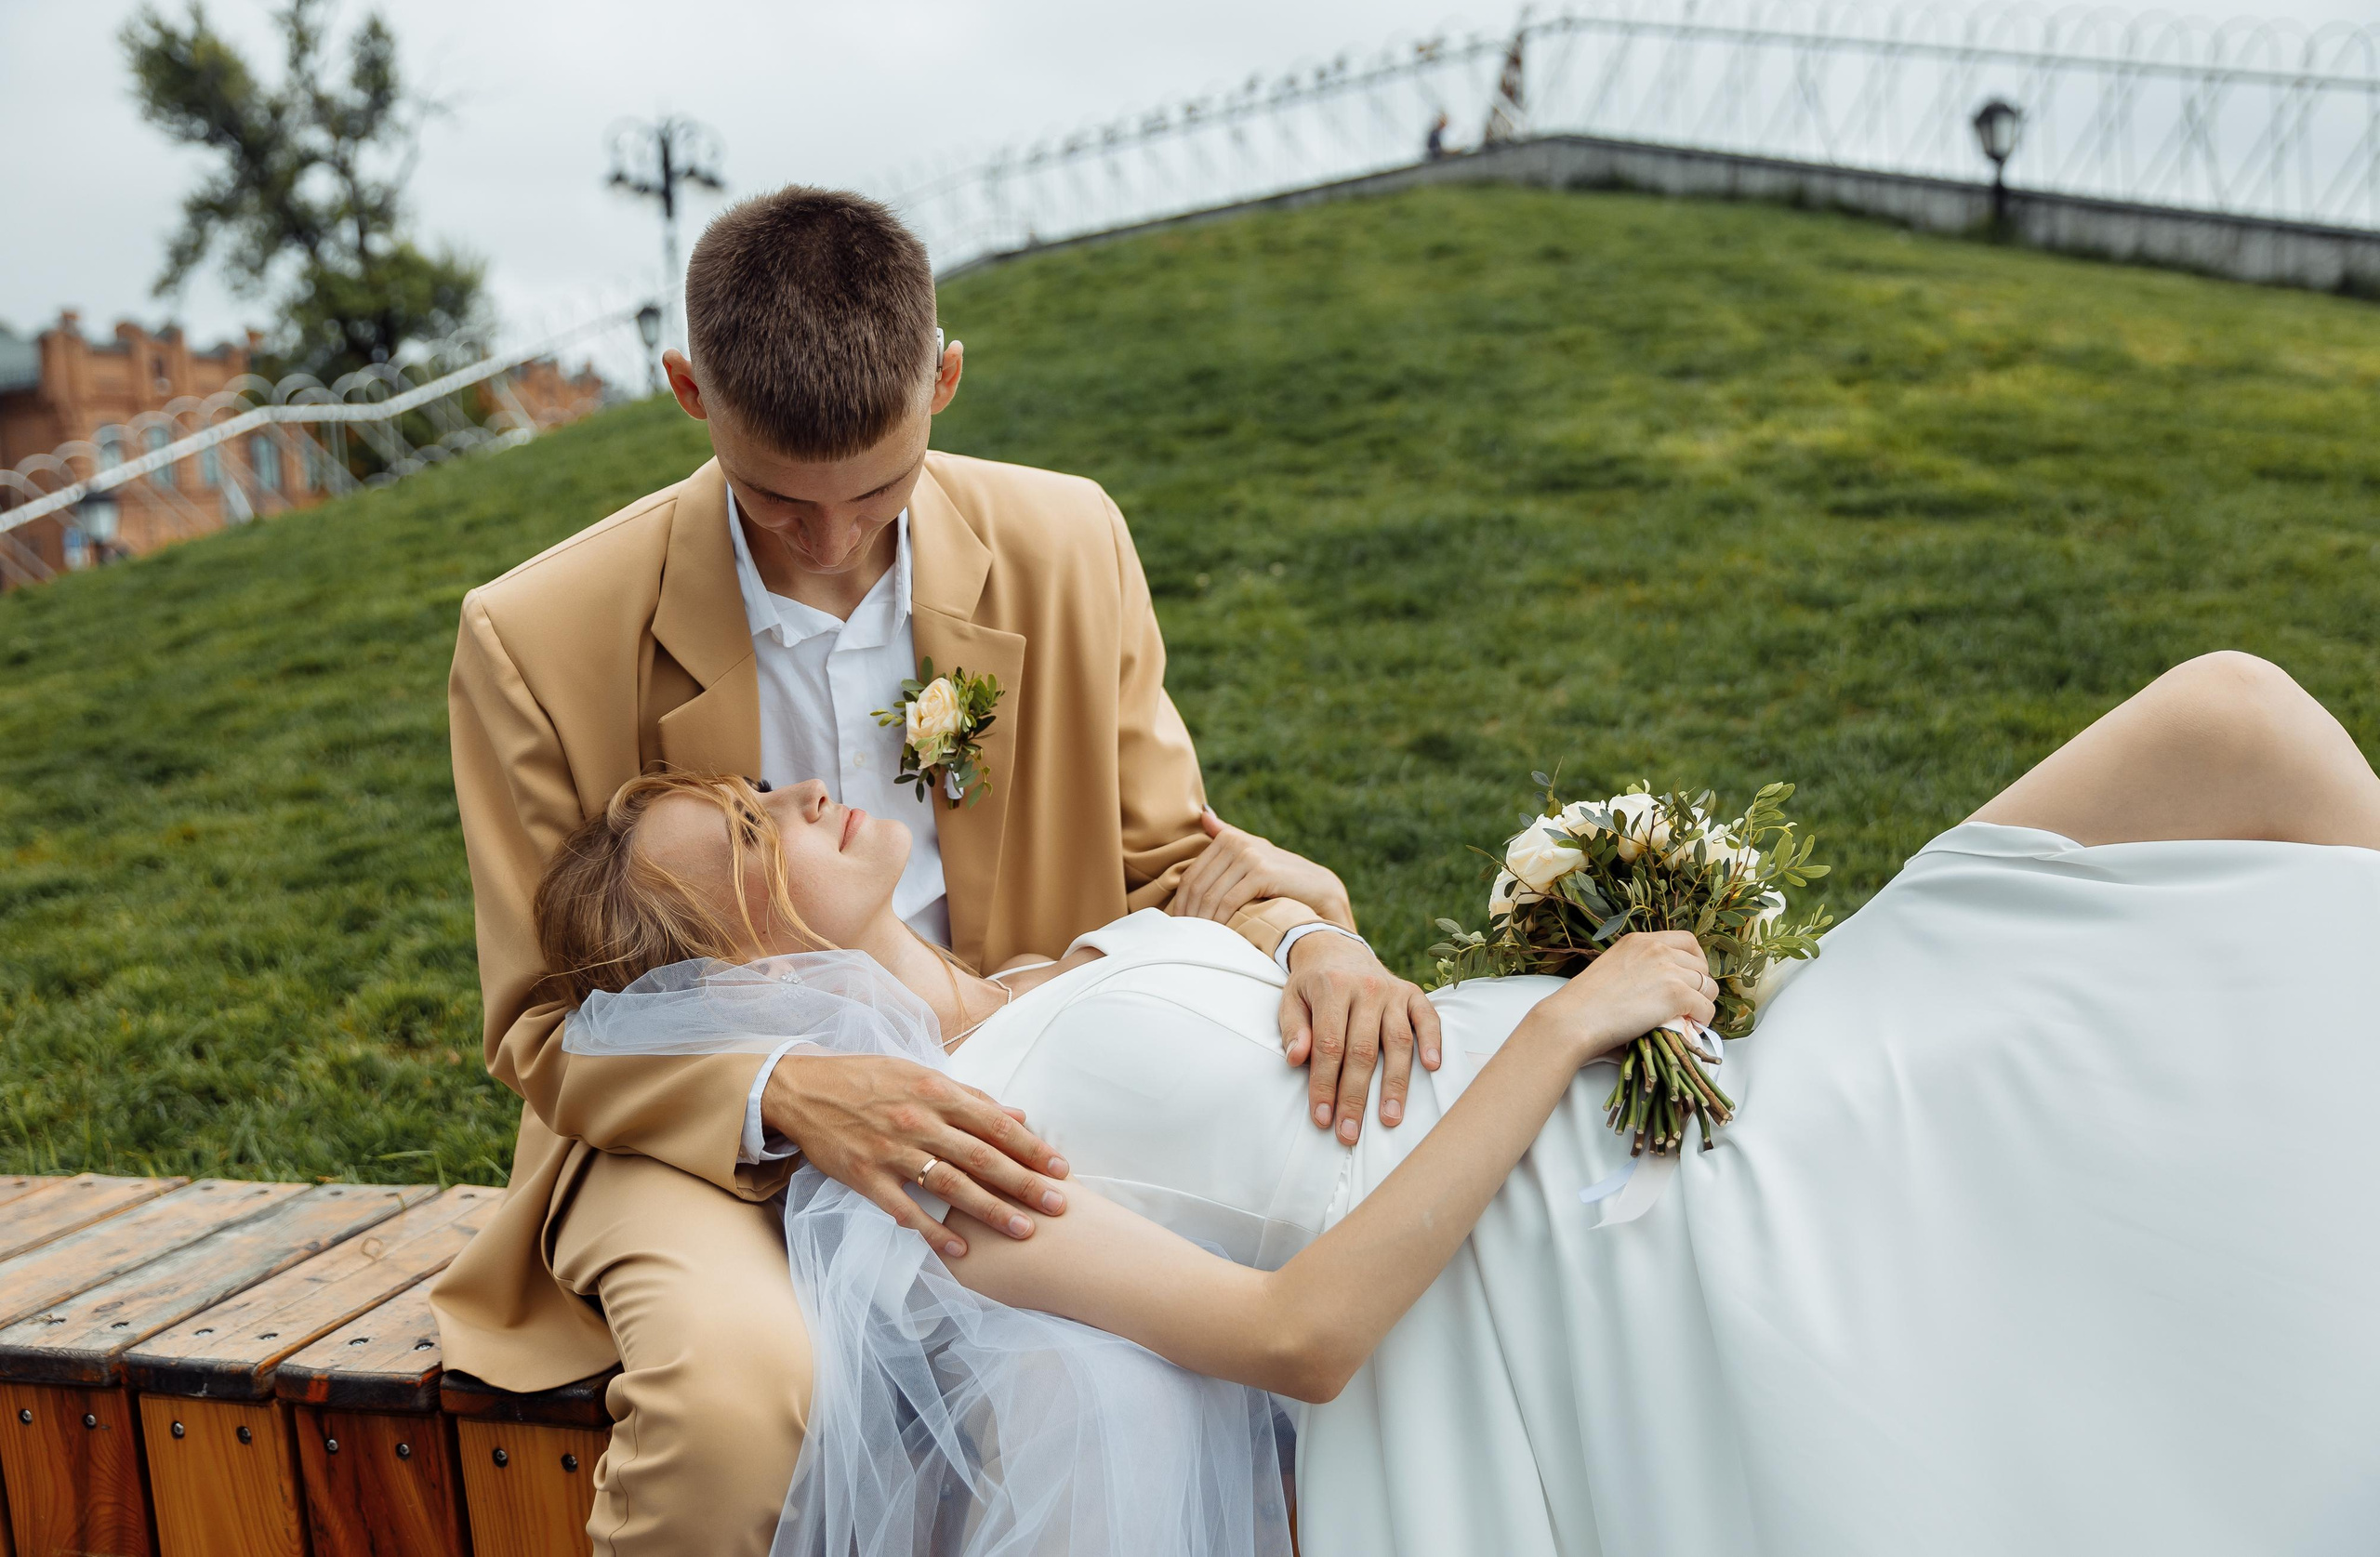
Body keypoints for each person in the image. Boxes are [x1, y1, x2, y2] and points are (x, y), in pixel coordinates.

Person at [548, 652, 2380, 1555]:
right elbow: (1299, 1328)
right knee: (2225, 751)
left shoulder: (1056, 966)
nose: (796, 792)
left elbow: (1258, 913)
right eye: (749, 836)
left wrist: (1321, 942)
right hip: (1604, 1265)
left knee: (2238, 735)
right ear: (742, 963)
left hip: (1649, 1102)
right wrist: (1569, 1019)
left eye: (762, 782)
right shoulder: (943, 1156)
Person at [430, 186, 1434, 1556]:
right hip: (697, 1133)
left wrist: (1315, 939)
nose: (833, 539)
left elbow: (1168, 856)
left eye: (880, 491)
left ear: (944, 377)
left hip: (1020, 1078)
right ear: (685, 391)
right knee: (737, 1401)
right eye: (779, 500)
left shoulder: (1068, 540)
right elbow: (541, 1025)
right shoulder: (531, 633)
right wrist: (789, 1089)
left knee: (1143, 1392)